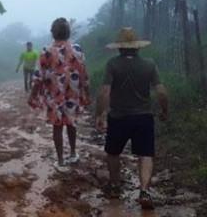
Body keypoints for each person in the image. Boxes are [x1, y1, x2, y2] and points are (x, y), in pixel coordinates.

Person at [95, 27, 169, 209]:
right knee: (145, 154)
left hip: (118, 117)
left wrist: (99, 114)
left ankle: (114, 186)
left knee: (113, 153)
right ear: (138, 47)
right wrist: (164, 110)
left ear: (119, 48)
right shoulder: (150, 64)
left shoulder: (113, 64)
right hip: (143, 117)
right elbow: (161, 92)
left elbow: (104, 92)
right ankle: (144, 190)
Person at [28, 17, 90, 173]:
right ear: (69, 33)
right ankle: (73, 154)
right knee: (71, 123)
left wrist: (32, 96)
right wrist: (86, 95)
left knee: (57, 127)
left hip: (54, 96)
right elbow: (84, 75)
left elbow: (38, 77)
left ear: (52, 33)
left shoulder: (46, 51)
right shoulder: (78, 50)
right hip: (72, 95)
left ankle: (61, 161)